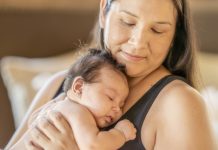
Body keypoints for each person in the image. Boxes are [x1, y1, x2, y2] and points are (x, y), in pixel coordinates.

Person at [6, 0, 217, 149]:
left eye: (157, 30)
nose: (138, 43)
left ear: (174, 35)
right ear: (104, 13)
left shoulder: (179, 104)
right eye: (128, 22)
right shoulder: (58, 85)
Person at [9, 49, 137, 150]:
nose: (117, 110)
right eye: (110, 97)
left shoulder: (58, 103)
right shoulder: (78, 112)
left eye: (121, 105)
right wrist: (120, 133)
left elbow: (33, 120)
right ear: (79, 87)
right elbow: (93, 146)